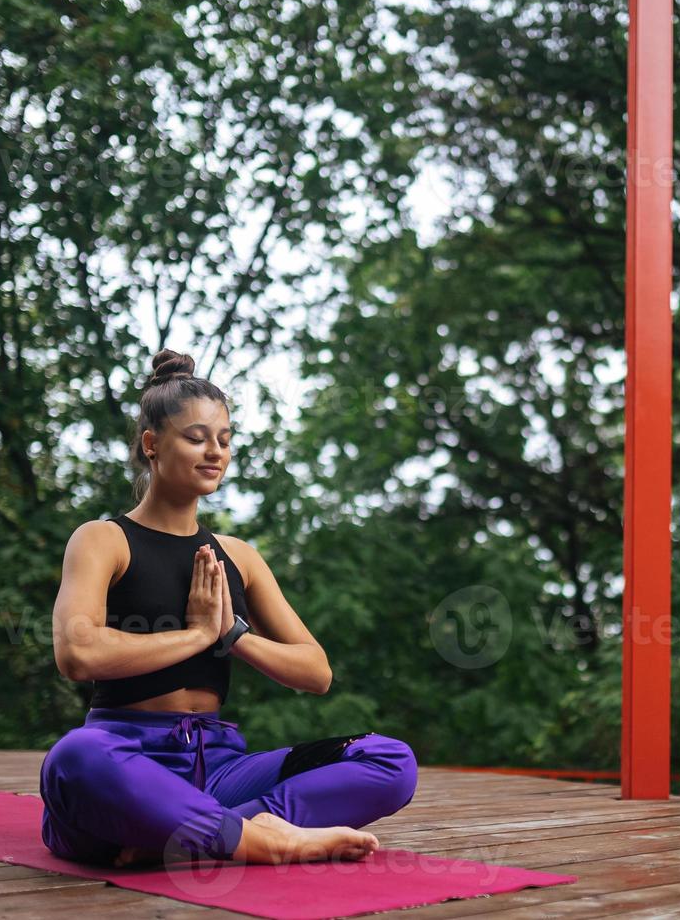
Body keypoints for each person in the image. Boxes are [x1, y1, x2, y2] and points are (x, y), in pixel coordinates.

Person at [40, 349, 417, 867]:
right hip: (127, 758)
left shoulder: (239, 556)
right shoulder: (104, 540)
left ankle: (197, 831)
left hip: (220, 771)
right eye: (196, 438)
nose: (214, 451)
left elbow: (315, 671)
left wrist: (233, 636)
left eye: (224, 439)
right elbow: (77, 653)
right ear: (152, 445)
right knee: (74, 757)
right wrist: (196, 636)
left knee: (390, 759)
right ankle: (258, 839)